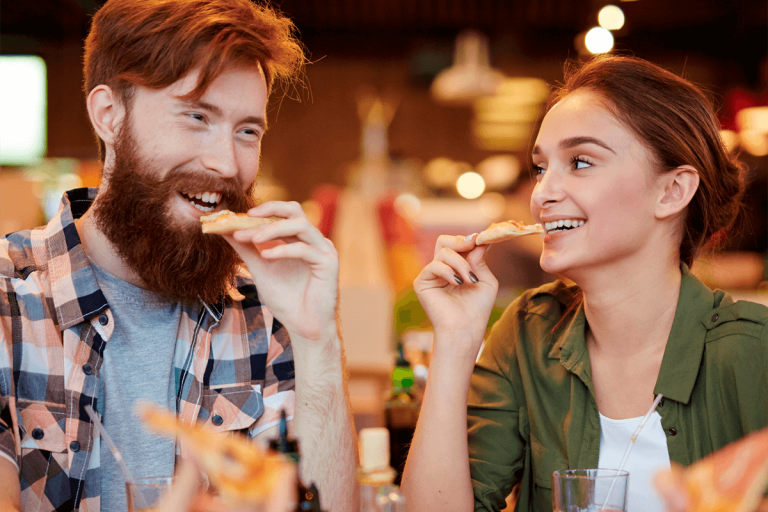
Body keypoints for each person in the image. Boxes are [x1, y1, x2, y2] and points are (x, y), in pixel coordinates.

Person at [0, 0, 357, 511]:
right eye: (197, 116)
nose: (226, 163)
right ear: (109, 115)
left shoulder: (264, 307)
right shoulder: (8, 296)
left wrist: (316, 337)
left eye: (247, 131)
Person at [401, 54, 768, 512]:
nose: (542, 194)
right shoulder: (527, 334)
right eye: (540, 168)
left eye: (579, 162)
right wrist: (455, 340)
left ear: (672, 191)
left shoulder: (755, 352)